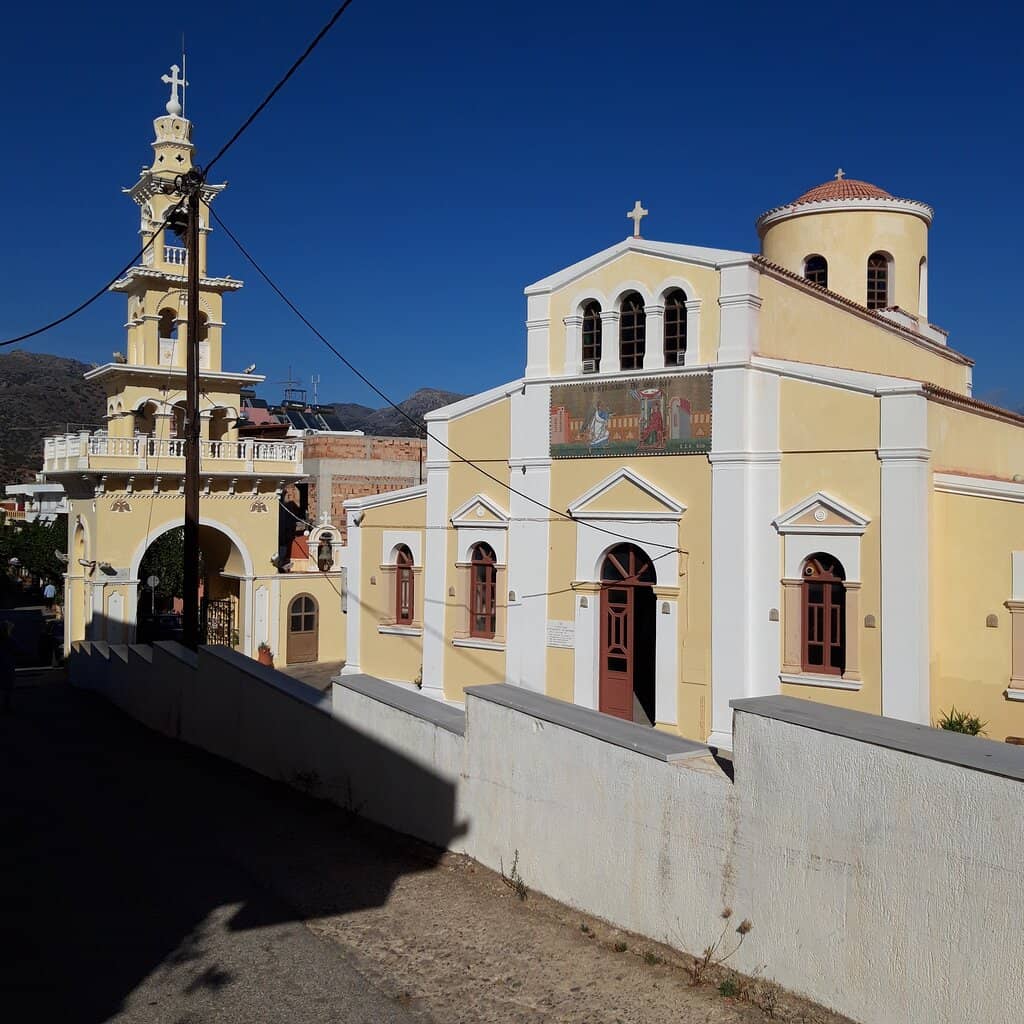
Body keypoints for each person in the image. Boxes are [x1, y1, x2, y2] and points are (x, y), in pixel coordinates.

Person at [0, 620, 16, 714]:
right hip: (7, 665)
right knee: (7, 688)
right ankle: (6, 707)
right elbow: (19, 648)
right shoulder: (9, 640)